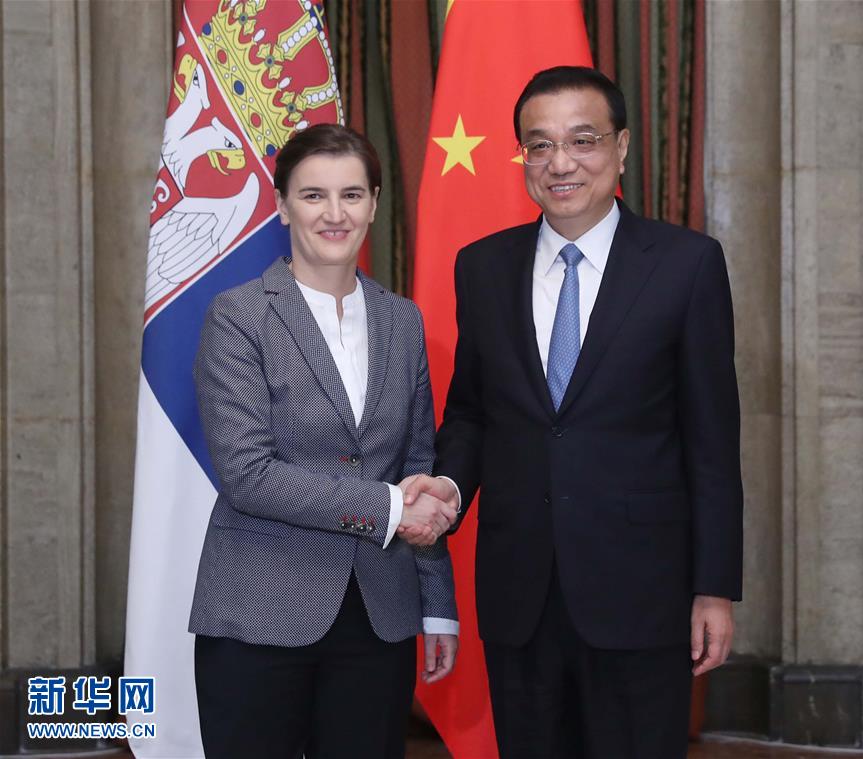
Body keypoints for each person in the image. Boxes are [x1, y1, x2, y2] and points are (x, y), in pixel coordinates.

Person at [401, 66, 743, 758]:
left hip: (642, 592)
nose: (561, 163)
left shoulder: (687, 265)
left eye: (583, 141)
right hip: (519, 592)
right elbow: (472, 412)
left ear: (621, 148)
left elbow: (712, 440)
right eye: (540, 144)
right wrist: (450, 485)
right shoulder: (483, 268)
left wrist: (714, 588)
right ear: (523, 157)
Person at [188, 123, 460, 759]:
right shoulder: (238, 316)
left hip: (380, 616)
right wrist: (389, 508)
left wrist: (437, 603)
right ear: (283, 205)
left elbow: (418, 463)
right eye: (313, 195)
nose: (334, 214)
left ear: (374, 204)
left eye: (351, 195)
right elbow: (249, 474)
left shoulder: (403, 320)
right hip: (259, 612)